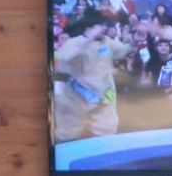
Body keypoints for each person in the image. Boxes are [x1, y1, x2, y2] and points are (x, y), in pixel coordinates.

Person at [50, 9, 125, 140]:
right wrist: (88, 39)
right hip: (72, 96)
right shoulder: (74, 43)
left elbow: (122, 51)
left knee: (106, 134)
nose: (103, 29)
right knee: (67, 136)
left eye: (103, 25)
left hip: (102, 98)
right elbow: (62, 58)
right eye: (99, 26)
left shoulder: (107, 43)